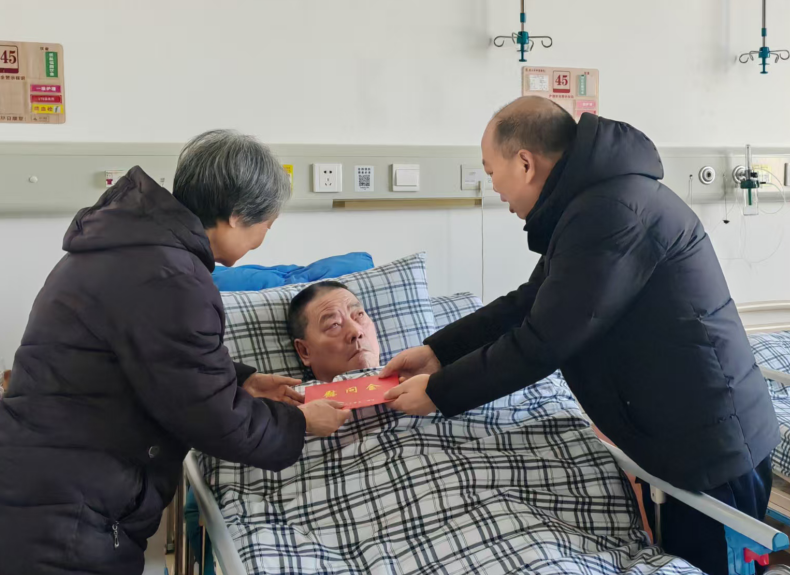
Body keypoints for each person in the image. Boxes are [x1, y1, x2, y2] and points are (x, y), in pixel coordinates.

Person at [381, 97, 779, 575]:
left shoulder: (611, 212)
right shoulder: (594, 204)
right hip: (687, 432)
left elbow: (543, 341)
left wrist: (439, 392)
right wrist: (438, 352)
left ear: (524, 163)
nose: (495, 188)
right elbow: (529, 301)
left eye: (491, 172)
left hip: (713, 445)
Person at [0, 130, 350, 575]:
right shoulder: (173, 277)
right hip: (67, 514)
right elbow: (213, 417)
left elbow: (157, 355)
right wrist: (300, 422)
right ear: (237, 216)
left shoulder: (126, 247)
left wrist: (241, 380)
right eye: (268, 224)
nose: (265, 236)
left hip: (39, 478)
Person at [288, 281, 381, 381]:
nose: (356, 331)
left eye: (359, 315)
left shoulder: (395, 376)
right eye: (334, 324)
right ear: (305, 351)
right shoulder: (298, 391)